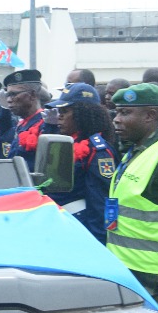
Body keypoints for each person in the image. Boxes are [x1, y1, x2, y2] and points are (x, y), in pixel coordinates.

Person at [107, 83, 158, 304]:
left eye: (125, 113)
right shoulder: (135, 149)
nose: (117, 119)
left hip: (153, 274)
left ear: (150, 115)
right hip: (126, 267)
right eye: (117, 112)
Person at [44, 83, 118, 243]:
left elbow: (99, 202)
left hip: (83, 228)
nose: (59, 116)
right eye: (59, 111)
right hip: (62, 222)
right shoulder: (67, 142)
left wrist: (96, 242)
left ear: (82, 114)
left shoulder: (98, 150)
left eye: (65, 111)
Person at [0, 69, 57, 171]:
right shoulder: (22, 124)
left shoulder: (46, 124)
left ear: (33, 95)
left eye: (14, 94)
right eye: (7, 95)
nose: (8, 100)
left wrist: (51, 127)